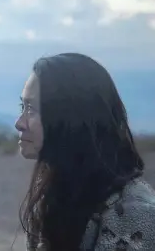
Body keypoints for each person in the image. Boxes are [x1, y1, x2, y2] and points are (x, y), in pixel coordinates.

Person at [15, 53, 155, 250]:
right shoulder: (56, 193)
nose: (19, 123)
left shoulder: (132, 213)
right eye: (23, 106)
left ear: (71, 117)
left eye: (31, 109)